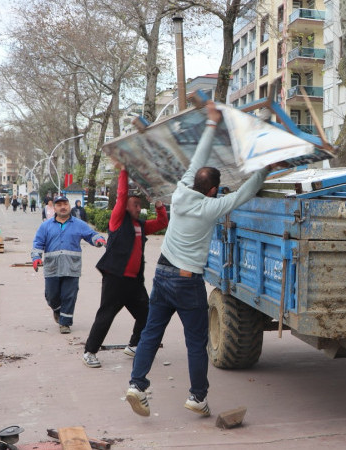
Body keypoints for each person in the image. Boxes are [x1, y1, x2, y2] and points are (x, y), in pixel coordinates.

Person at [125, 101, 282, 417]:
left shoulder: (181, 192)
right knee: (196, 343)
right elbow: (243, 195)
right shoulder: (212, 207)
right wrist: (265, 169)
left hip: (162, 273)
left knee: (151, 334)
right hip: (186, 280)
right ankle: (197, 397)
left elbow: (198, 158)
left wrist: (211, 123)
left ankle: (137, 385)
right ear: (212, 191)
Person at [82, 168, 169, 369]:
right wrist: (124, 171)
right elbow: (121, 196)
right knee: (106, 316)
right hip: (115, 279)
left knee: (146, 315)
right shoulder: (117, 220)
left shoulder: (140, 225)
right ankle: (90, 352)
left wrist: (158, 204)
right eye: (135, 204)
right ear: (126, 206)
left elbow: (163, 222)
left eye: (140, 205)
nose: (138, 208)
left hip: (134, 282)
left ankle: (134, 345)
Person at [31, 195, 106, 334]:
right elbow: (37, 243)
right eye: (59, 205)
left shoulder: (78, 224)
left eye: (65, 204)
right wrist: (36, 257)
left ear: (69, 206)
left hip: (72, 266)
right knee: (51, 296)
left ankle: (65, 323)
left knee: (69, 295)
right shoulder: (45, 226)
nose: (63, 207)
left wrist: (98, 240)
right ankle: (58, 311)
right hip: (52, 267)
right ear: (54, 208)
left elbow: (91, 234)